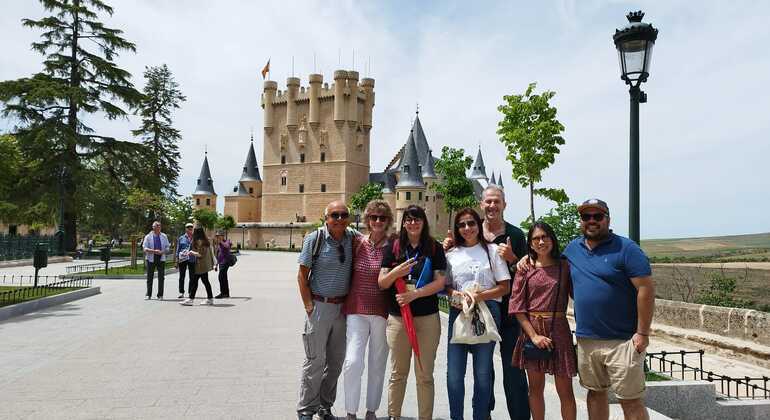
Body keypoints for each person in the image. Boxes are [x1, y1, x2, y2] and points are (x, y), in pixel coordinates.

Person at [518, 199, 655, 420]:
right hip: (587, 339)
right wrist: (527, 257)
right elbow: (547, 261)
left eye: (597, 216)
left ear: (607, 219)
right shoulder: (573, 249)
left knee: (630, 400)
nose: (591, 221)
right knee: (595, 394)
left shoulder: (627, 248)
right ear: (581, 221)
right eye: (586, 217)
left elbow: (646, 289)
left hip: (622, 340)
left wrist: (643, 333)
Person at [444, 185, 529, 419]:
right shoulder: (468, 236)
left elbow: (527, 273)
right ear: (481, 204)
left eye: (497, 201)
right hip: (473, 312)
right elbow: (450, 274)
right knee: (483, 372)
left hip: (509, 312)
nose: (492, 206)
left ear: (504, 205)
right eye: (488, 201)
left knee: (513, 372)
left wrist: (513, 259)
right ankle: (484, 415)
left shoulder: (516, 235)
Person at [378, 204, 447, 420]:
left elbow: (440, 283)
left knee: (424, 375)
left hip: (427, 319)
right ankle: (393, 416)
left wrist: (414, 295)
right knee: (398, 374)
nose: (413, 223)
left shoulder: (434, 248)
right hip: (399, 320)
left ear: (424, 222)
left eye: (417, 219)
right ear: (403, 222)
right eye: (408, 219)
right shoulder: (393, 246)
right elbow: (381, 282)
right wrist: (397, 272)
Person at [445, 208, 511, 420]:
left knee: (483, 374)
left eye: (471, 223)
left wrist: (478, 297)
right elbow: (445, 285)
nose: (467, 228)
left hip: (487, 312)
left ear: (478, 225)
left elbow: (504, 286)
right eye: (462, 225)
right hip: (459, 312)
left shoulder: (491, 251)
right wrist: (455, 294)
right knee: (454, 375)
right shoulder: (451, 254)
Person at [509, 222, 576, 420]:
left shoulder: (565, 266)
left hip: (559, 330)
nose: (541, 241)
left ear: (552, 239)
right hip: (533, 331)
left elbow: (579, 292)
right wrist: (534, 336)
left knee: (565, 391)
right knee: (535, 389)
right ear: (530, 244)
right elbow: (517, 307)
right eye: (536, 238)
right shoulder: (525, 268)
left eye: (545, 237)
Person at [296, 200, 356, 420]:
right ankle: (305, 409)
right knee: (315, 361)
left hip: (342, 309)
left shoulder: (353, 237)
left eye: (343, 215)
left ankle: (324, 406)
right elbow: (302, 275)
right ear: (326, 218)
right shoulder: (315, 239)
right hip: (320, 306)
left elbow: (375, 243)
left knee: (336, 362)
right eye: (334, 215)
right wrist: (309, 306)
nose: (339, 219)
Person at [342, 200, 394, 420]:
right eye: (373, 217)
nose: (378, 221)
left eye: (382, 218)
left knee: (377, 362)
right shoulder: (357, 242)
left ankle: (371, 410)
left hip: (383, 312)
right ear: (367, 220)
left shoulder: (394, 246)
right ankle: (351, 411)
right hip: (357, 309)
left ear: (388, 221)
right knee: (353, 361)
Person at [180, 227, 215, 306]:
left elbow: (200, 254)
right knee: (204, 282)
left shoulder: (200, 242)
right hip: (203, 265)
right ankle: (209, 298)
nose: (192, 232)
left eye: (193, 231)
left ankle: (191, 299)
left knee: (196, 282)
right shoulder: (205, 241)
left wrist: (191, 252)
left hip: (200, 266)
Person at [142, 221, 170, 300]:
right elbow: (145, 248)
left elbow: (168, 247)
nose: (158, 228)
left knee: (161, 277)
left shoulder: (164, 236)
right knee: (149, 277)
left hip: (161, 258)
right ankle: (148, 294)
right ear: (153, 227)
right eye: (157, 226)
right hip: (151, 258)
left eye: (159, 226)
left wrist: (163, 251)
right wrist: (154, 251)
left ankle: (160, 295)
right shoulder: (148, 237)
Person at [174, 223, 196, 299]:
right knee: (182, 276)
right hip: (182, 259)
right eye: (188, 228)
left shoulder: (195, 238)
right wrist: (176, 260)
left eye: (191, 228)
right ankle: (181, 292)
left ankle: (190, 292)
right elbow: (178, 249)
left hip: (192, 258)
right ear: (185, 229)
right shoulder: (181, 238)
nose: (190, 229)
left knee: (192, 277)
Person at [214, 231, 232, 298]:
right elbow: (217, 254)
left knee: (221, 277)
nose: (218, 237)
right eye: (217, 236)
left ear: (222, 236)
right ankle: (226, 293)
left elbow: (227, 246)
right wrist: (216, 265)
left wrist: (221, 241)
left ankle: (223, 293)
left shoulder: (227, 241)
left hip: (225, 262)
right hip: (221, 262)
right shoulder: (218, 244)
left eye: (219, 236)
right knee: (223, 277)